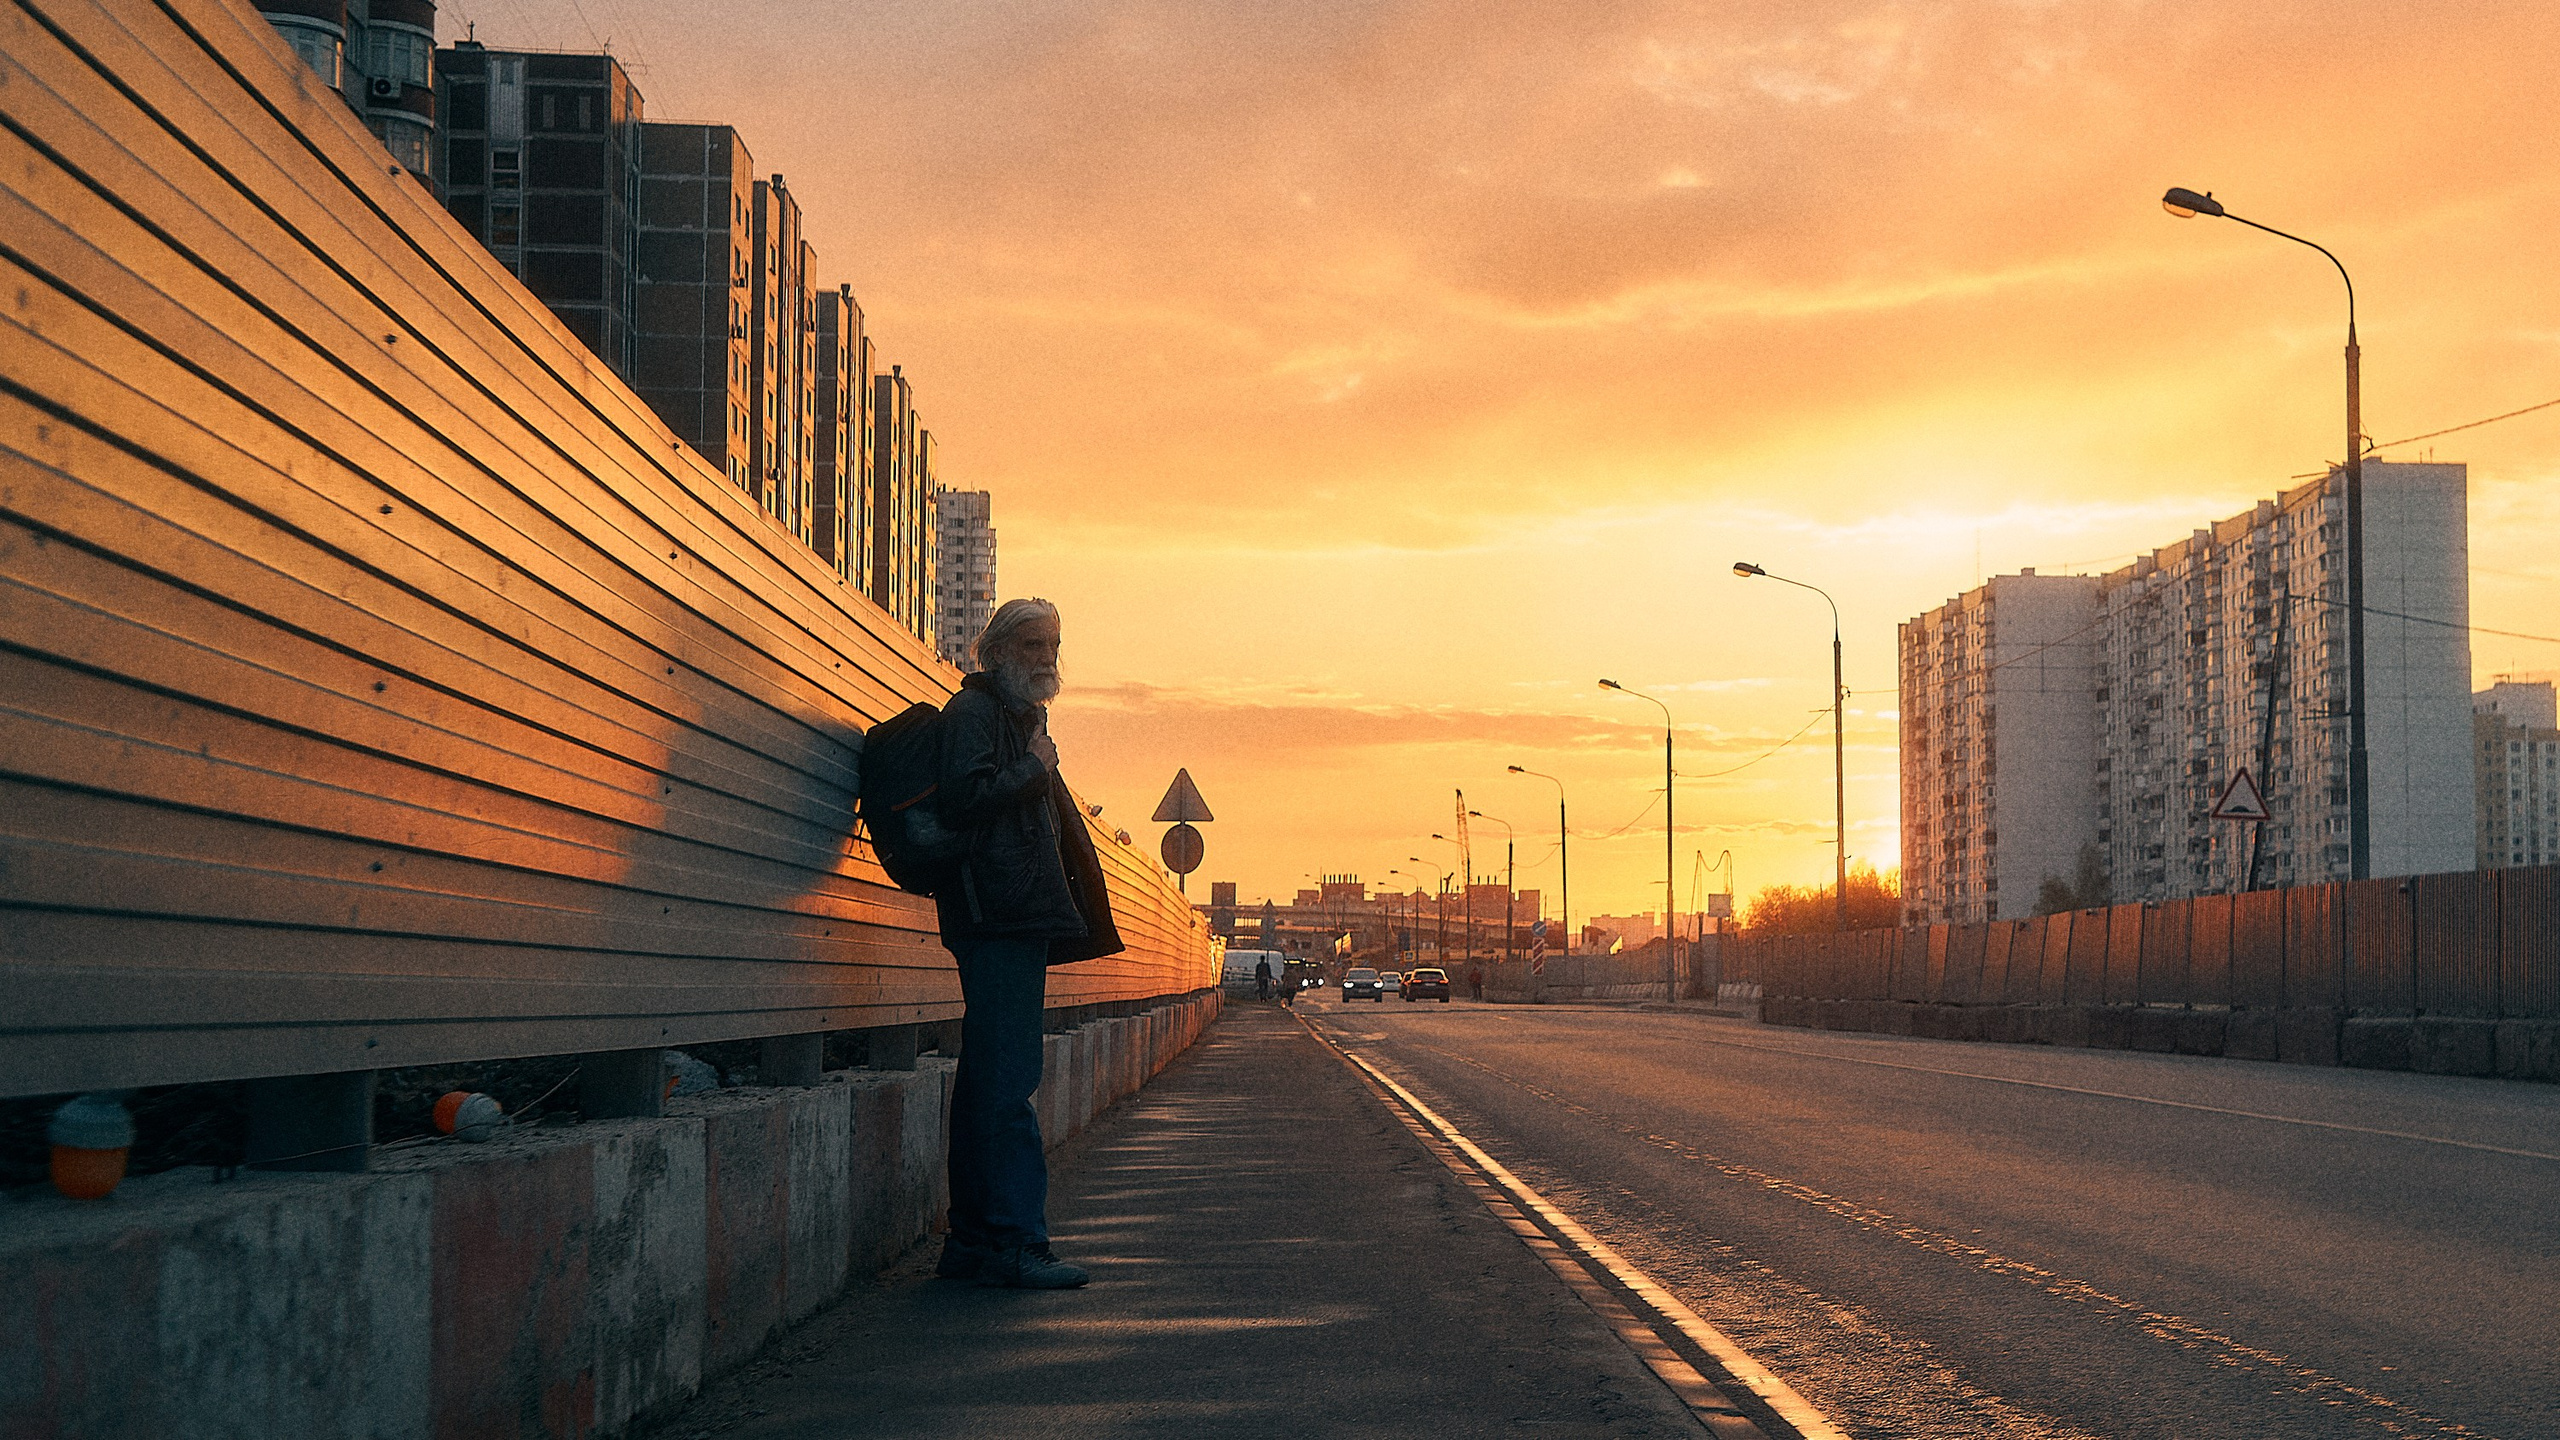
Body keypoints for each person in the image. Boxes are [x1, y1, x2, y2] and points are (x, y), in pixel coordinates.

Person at [931, 598, 1121, 1289]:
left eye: (1054, 645)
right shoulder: (976, 715)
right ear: (999, 648)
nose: (1047, 658)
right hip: (996, 918)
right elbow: (963, 799)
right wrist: (1035, 768)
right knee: (1008, 1085)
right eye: (1034, 644)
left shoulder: (1018, 719)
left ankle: (975, 1244)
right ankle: (1015, 1243)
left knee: (990, 1082)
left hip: (1012, 917)